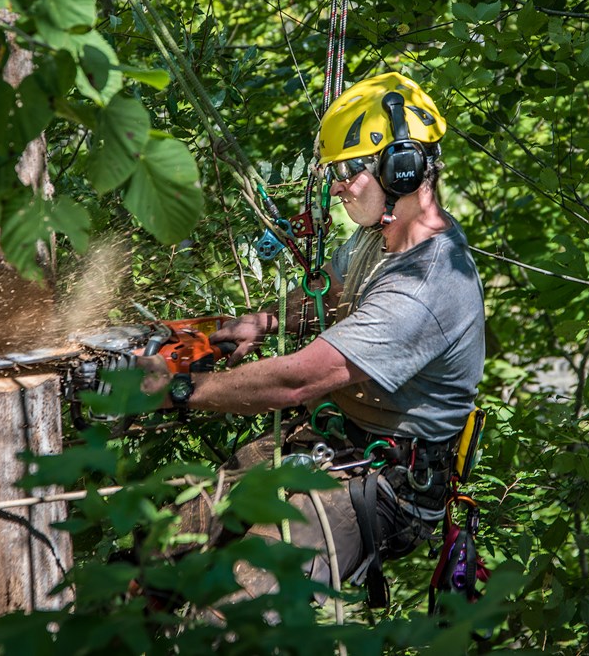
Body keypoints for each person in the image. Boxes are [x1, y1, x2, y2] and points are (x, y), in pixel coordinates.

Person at [147, 71, 486, 610]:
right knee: (160, 553)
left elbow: (300, 379)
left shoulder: (429, 285)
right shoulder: (379, 238)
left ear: (402, 169)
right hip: (329, 443)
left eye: (349, 171)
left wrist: (181, 389)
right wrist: (260, 323)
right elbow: (333, 294)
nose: (336, 186)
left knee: (239, 612)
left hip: (384, 482)